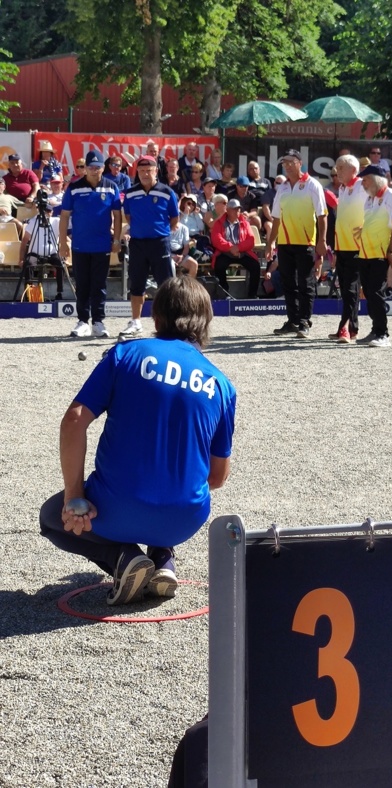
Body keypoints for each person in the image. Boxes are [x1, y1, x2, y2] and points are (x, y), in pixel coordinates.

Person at [39, 276, 236, 606]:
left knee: (51, 516)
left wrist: (74, 495)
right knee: (169, 485)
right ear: (206, 322)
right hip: (183, 519)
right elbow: (217, 477)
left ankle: (122, 557)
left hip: (114, 509)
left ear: (156, 318)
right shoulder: (222, 385)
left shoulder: (125, 354)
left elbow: (74, 421)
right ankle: (163, 558)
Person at [265, 148, 328, 338]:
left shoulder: (312, 185)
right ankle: (292, 320)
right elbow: (276, 218)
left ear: (300, 163)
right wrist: (270, 243)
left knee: (306, 282)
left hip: (305, 242)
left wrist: (322, 240)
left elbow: (322, 215)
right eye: (284, 163)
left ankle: (304, 321)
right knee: (288, 283)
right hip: (285, 242)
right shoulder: (282, 187)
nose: (287, 166)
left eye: (291, 162)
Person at [59, 150, 122, 338]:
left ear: (103, 168)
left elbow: (117, 216)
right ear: (85, 168)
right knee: (82, 285)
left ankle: (98, 322)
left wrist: (117, 239)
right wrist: (63, 243)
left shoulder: (111, 187)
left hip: (102, 245)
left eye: (98, 167)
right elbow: (64, 216)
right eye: (91, 167)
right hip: (80, 245)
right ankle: (82, 321)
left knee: (99, 285)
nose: (94, 170)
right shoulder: (74, 188)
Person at [119, 155, 179, 337]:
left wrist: (158, 230)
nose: (145, 174)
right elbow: (128, 216)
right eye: (142, 170)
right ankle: (136, 322)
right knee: (137, 283)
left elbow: (174, 218)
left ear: (156, 171)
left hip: (160, 243)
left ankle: (170, 322)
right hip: (138, 243)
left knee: (166, 284)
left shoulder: (167, 192)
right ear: (137, 172)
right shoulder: (130, 193)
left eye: (149, 170)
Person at [354, 164, 392, 348]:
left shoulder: (391, 195)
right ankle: (375, 330)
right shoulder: (370, 199)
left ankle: (383, 334)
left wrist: (391, 251)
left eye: (365, 180)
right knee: (368, 293)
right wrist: (363, 230)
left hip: (380, 254)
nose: (363, 184)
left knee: (376, 292)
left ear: (375, 179)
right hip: (365, 253)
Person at [328, 154, 365, 343]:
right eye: (337, 167)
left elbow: (373, 207)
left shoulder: (362, 186)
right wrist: (335, 249)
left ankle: (345, 328)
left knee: (350, 288)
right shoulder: (343, 189)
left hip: (356, 246)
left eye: (341, 167)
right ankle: (352, 328)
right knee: (345, 288)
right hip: (342, 245)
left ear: (353, 169)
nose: (337, 171)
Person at [211, 199, 261, 298]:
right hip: (225, 252)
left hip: (242, 252)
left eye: (239, 209)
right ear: (228, 210)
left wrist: (238, 248)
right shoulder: (219, 223)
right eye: (234, 209)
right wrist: (230, 247)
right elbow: (216, 239)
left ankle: (252, 295)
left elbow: (251, 240)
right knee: (219, 266)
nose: (237, 211)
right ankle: (224, 294)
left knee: (255, 266)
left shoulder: (245, 223)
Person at [19, 204, 64, 299]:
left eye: (48, 211)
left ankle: (60, 292)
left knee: (60, 265)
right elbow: (24, 241)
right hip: (34, 253)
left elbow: (64, 238)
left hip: (52, 253)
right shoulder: (33, 222)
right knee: (27, 264)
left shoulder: (57, 221)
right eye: (44, 211)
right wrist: (21, 259)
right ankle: (29, 293)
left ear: (52, 212)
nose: (46, 213)